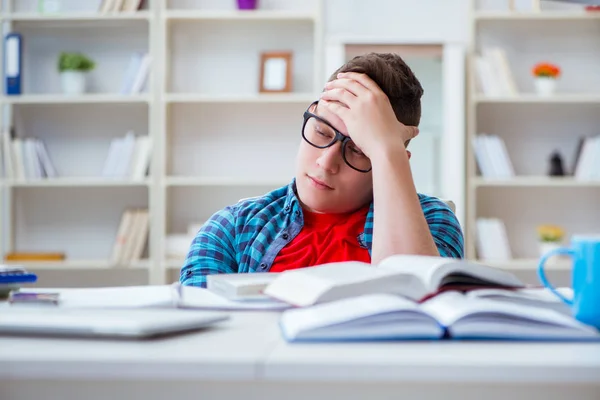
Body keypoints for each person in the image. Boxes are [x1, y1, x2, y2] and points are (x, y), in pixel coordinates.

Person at [180, 52, 464, 287]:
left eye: (358, 149)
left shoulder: (433, 221)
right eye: (321, 131)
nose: (326, 162)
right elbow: (198, 341)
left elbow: (419, 317)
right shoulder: (231, 228)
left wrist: (387, 150)